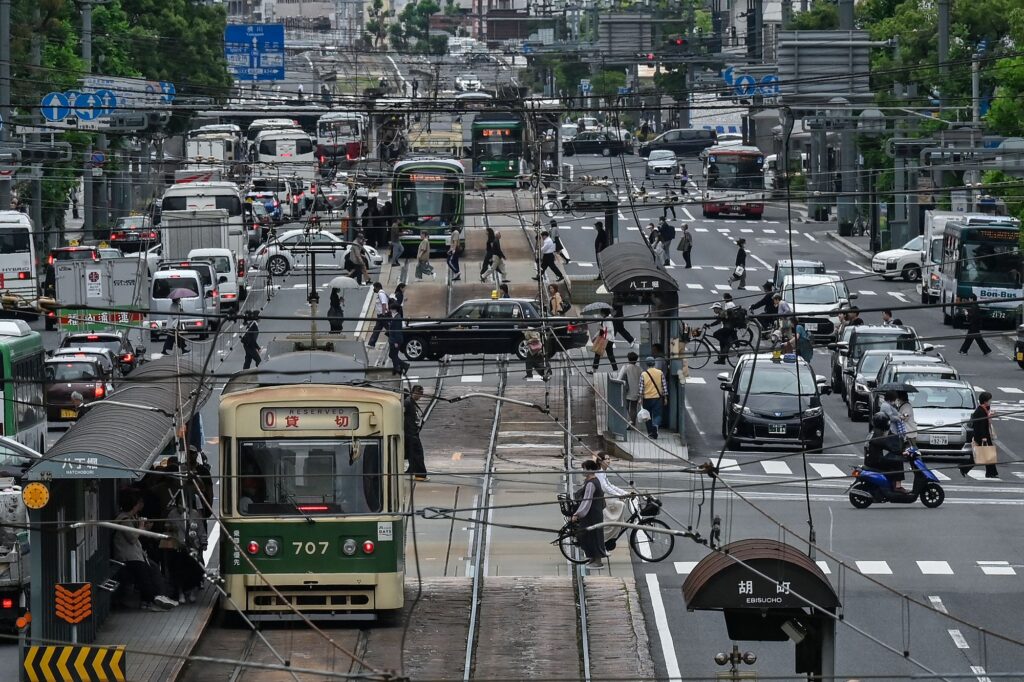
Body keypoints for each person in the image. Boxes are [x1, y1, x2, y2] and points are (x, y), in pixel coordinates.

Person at [114, 494, 177, 610]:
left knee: (153, 569)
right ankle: (151, 600)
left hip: (136, 555)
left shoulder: (131, 517)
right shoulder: (124, 520)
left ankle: (158, 597)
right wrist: (142, 527)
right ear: (134, 505)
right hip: (128, 556)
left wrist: (143, 528)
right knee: (145, 576)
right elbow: (132, 538)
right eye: (138, 503)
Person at [160, 499, 205, 604]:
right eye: (180, 504)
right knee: (178, 570)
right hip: (178, 546)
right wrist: (171, 527)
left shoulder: (194, 514)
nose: (182, 507)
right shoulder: (172, 514)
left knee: (196, 569)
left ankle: (193, 591)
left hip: (193, 545)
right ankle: (181, 593)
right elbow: (166, 526)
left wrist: (203, 542)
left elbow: (201, 529)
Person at [570, 459, 607, 567]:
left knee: (593, 536)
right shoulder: (591, 481)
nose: (583, 470)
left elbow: (587, 501)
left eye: (584, 468)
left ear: (590, 470)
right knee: (589, 536)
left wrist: (577, 514)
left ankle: (598, 561)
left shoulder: (591, 483)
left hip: (592, 515)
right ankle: (592, 558)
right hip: (593, 514)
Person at [865, 412, 908, 492]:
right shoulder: (878, 435)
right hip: (875, 461)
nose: (889, 424)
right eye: (888, 422)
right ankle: (897, 486)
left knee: (892, 458)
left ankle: (891, 482)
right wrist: (901, 450)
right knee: (897, 461)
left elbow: (890, 438)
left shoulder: (875, 431)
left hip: (871, 459)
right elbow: (891, 446)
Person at [594, 452, 631, 543]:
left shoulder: (602, 472)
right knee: (620, 505)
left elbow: (611, 485)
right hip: (599, 500)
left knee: (620, 504)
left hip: (603, 498)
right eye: (606, 459)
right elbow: (605, 487)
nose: (608, 461)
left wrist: (624, 493)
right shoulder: (599, 473)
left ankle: (616, 526)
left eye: (609, 459)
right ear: (600, 461)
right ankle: (609, 533)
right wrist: (619, 495)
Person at [960, 391, 999, 478]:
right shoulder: (980, 411)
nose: (990, 402)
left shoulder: (982, 410)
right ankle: (964, 467)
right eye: (989, 400)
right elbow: (980, 427)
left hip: (984, 436)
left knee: (986, 455)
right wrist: (983, 438)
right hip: (983, 437)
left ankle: (990, 473)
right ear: (985, 401)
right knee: (982, 455)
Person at [639, 356, 668, 439]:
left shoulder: (644, 374)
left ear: (646, 364)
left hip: (646, 398)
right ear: (654, 363)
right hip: (657, 397)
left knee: (647, 415)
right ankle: (655, 427)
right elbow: (664, 386)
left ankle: (650, 432)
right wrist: (665, 397)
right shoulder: (660, 372)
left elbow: (641, 388)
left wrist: (640, 399)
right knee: (657, 414)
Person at [403, 385, 428, 480]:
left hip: (412, 432)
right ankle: (421, 474)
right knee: (418, 453)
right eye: (420, 394)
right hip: (410, 433)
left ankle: (412, 469)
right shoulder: (408, 403)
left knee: (412, 453)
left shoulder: (411, 403)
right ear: (415, 392)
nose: (420, 397)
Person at [708, 294, 741, 365]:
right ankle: (722, 360)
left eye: (714, 309)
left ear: (717, 308)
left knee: (715, 334)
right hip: (728, 328)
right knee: (721, 343)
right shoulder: (721, 312)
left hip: (729, 328)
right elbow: (719, 320)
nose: (713, 310)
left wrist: (710, 325)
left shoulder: (722, 312)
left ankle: (728, 343)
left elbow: (718, 321)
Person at [617, 351, 643, 425]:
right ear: (636, 359)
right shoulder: (640, 369)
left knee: (626, 406)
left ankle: (626, 421)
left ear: (628, 359)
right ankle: (633, 422)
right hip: (636, 391)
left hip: (627, 391)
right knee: (633, 408)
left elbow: (620, 379)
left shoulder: (626, 368)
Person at [590, 308, 619, 373]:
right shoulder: (605, 319)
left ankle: (594, 370)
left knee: (599, 354)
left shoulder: (607, 319)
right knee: (609, 354)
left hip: (606, 339)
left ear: (604, 313)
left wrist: (601, 328)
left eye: (601, 312)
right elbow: (601, 330)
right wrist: (594, 337)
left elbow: (609, 328)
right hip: (608, 339)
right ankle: (615, 369)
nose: (600, 313)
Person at [387, 299, 410, 376]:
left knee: (393, 355)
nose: (390, 310)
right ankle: (401, 366)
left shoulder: (397, 318)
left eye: (390, 309)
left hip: (395, 340)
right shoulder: (395, 317)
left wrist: (396, 342)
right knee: (392, 355)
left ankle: (398, 368)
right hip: (393, 340)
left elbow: (397, 330)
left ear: (394, 310)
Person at [367, 282, 391, 347]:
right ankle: (371, 344)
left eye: (374, 288)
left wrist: (383, 313)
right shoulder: (380, 294)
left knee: (389, 329)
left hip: (383, 315)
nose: (373, 289)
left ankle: (396, 341)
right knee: (377, 329)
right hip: (380, 315)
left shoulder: (381, 294)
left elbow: (384, 304)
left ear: (377, 287)